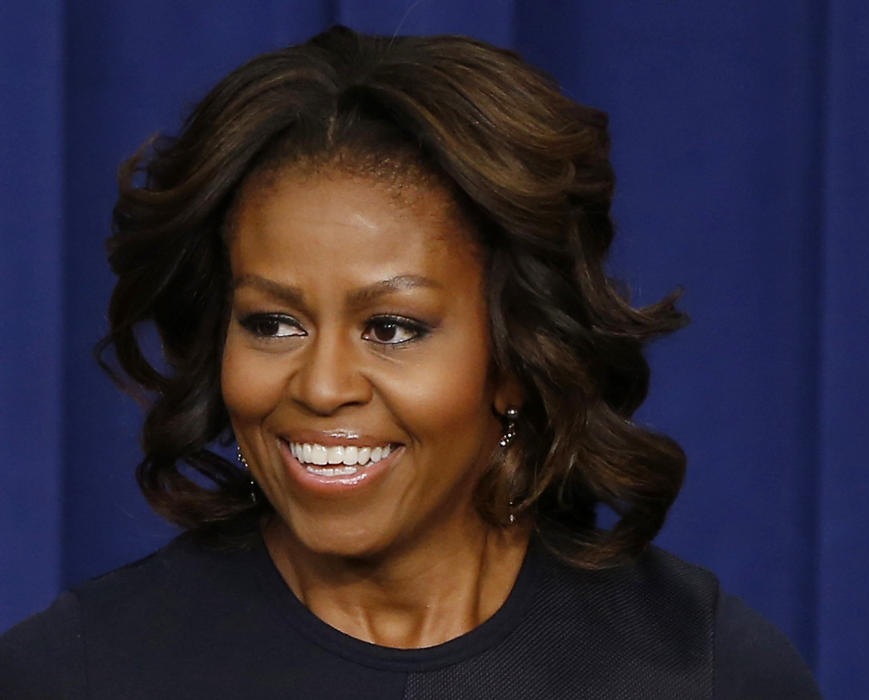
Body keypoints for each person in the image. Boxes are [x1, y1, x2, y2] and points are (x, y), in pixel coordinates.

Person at [0, 25, 820, 698]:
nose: (321, 387)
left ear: (515, 354)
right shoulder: (77, 671)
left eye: (392, 328)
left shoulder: (704, 669)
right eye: (273, 323)